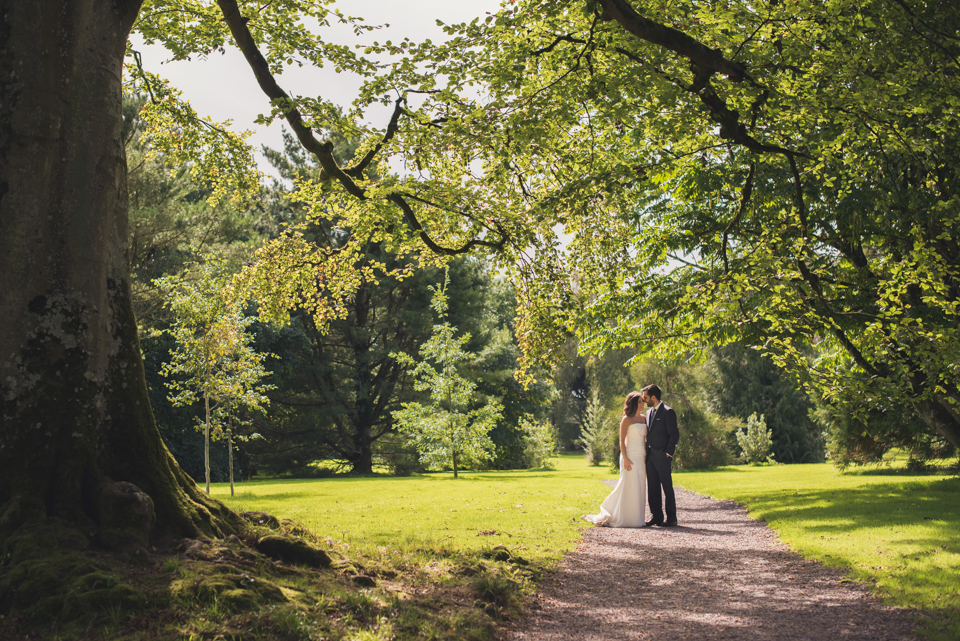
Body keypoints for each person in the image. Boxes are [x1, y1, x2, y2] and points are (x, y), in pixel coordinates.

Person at [583, 391, 648, 527]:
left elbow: (646, 438)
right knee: (628, 484)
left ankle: (637, 518)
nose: (643, 404)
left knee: (639, 485)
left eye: (643, 401)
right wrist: (625, 457)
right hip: (629, 455)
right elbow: (621, 440)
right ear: (634, 404)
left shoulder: (644, 419)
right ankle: (621, 516)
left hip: (641, 456)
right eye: (640, 401)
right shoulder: (626, 419)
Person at [641, 384, 680, 527]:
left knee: (667, 487)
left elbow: (674, 434)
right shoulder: (648, 413)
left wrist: (668, 453)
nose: (644, 400)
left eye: (645, 398)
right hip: (650, 456)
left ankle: (671, 518)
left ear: (653, 397)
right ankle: (656, 516)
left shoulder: (668, 412)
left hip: (663, 456)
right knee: (652, 487)